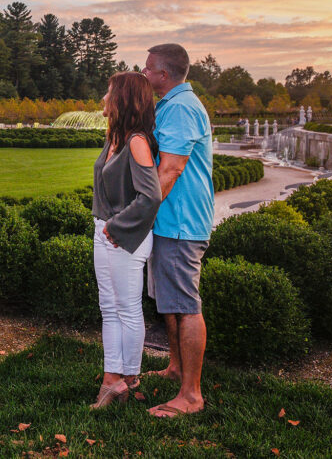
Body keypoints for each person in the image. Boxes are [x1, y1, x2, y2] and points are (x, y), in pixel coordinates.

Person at [141, 43, 214, 418]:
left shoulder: (182, 108)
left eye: (148, 68)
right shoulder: (173, 105)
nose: (144, 73)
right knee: (169, 303)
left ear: (163, 74)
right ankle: (174, 368)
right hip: (169, 222)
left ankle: (191, 395)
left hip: (182, 224)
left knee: (185, 307)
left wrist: (137, 216)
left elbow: (170, 170)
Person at [89, 72, 162, 408]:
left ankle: (126, 377)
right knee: (109, 308)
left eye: (109, 92)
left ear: (122, 98)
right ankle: (110, 378)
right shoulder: (114, 137)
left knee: (127, 309)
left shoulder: (136, 141)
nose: (104, 97)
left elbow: (150, 196)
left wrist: (116, 228)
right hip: (104, 232)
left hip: (124, 238)